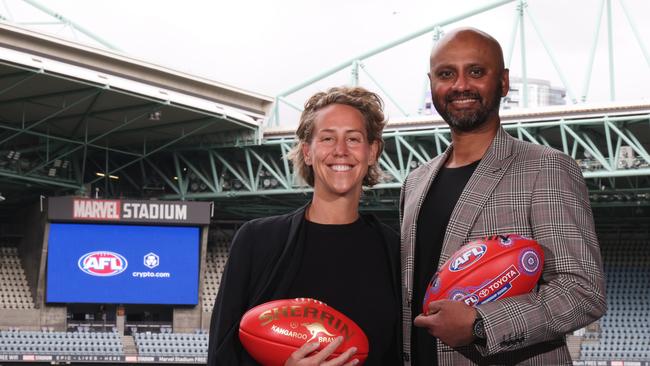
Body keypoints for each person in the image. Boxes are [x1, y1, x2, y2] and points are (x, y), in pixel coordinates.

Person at [400, 27, 607, 365]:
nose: (461, 85)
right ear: (432, 83)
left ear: (504, 82)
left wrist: (481, 324)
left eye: (477, 72)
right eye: (446, 74)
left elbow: (582, 292)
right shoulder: (415, 182)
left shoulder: (547, 168)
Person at [208, 86, 401, 366]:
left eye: (354, 139)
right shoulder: (256, 241)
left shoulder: (395, 251)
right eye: (327, 138)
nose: (340, 151)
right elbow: (221, 356)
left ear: (372, 151)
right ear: (307, 152)